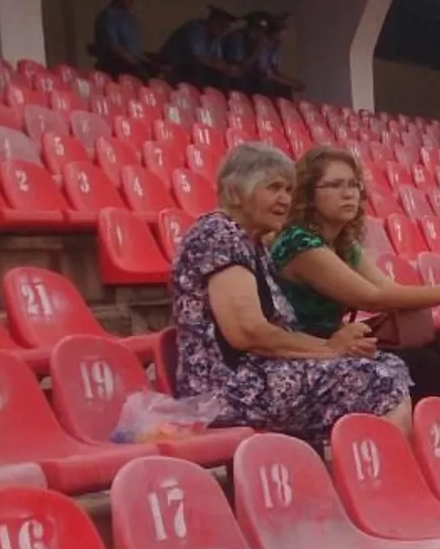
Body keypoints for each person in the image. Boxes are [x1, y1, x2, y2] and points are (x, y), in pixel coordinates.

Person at [170, 143, 413, 447]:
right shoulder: (217, 236)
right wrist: (330, 348)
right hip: (226, 387)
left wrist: (336, 345)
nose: (285, 199)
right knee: (378, 380)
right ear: (234, 193)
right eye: (273, 188)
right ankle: (376, 472)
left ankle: (375, 468)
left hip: (261, 372)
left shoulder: (251, 242)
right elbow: (247, 332)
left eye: (288, 189)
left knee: (389, 366)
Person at [269, 146, 440, 404]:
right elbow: (373, 298)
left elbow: (386, 288)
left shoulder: (343, 243)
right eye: (334, 185)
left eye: (353, 185)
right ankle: (424, 429)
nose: (348, 194)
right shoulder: (299, 243)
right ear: (308, 194)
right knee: (421, 364)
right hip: (303, 350)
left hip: (336, 341)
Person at [160, 7, 239, 89]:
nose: (224, 28)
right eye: (222, 24)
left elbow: (218, 60)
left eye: (226, 25)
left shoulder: (216, 37)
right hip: (172, 67)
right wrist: (225, 67)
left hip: (188, 71)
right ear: (213, 20)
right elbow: (200, 57)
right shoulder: (196, 28)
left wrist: (228, 68)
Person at [92, 0, 148, 79]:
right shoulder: (109, 17)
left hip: (134, 63)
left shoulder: (129, 17)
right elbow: (114, 47)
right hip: (118, 66)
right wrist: (135, 64)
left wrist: (148, 62)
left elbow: (135, 49)